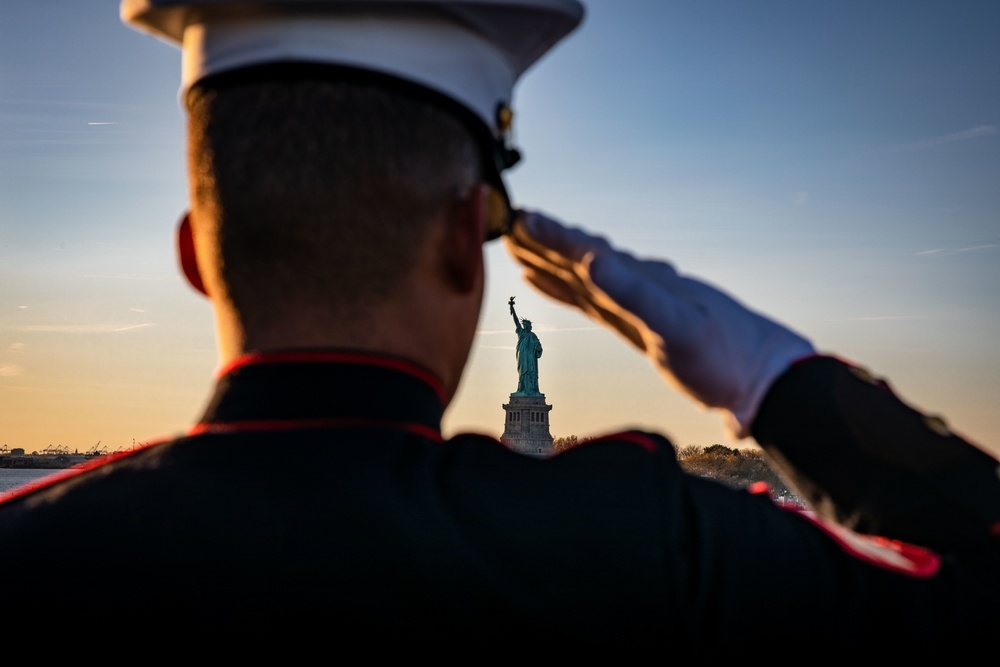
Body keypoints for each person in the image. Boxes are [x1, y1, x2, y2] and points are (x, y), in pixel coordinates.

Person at [0, 0, 997, 652]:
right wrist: (769, 376)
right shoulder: (654, 549)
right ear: (456, 242)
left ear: (193, 253)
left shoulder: (28, 554)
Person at [509, 296, 543, 395]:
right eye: (524, 325)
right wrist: (512, 307)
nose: (525, 326)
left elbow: (539, 347)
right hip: (523, 356)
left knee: (531, 373)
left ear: (529, 326)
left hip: (531, 358)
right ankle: (522, 389)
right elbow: (516, 321)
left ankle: (532, 390)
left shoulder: (533, 336)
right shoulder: (521, 332)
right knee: (523, 373)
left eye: (526, 325)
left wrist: (538, 348)